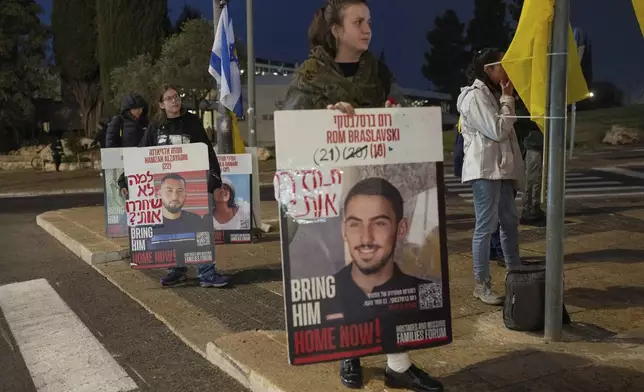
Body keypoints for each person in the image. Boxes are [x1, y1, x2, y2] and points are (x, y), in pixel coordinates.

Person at [281, 1, 442, 391]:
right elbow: (291, 135)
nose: (367, 29)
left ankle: (398, 365)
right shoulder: (309, 76)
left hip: (379, 190)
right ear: (336, 30)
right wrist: (327, 121)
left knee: (390, 276)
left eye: (369, 21)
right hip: (330, 202)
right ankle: (348, 353)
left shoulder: (378, 72)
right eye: (358, 22)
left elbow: (401, 113)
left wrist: (394, 114)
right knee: (346, 276)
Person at [139, 85, 229, 289]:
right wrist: (125, 179)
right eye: (169, 98)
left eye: (177, 97)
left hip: (195, 187)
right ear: (161, 104)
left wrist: (215, 177)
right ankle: (176, 270)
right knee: (171, 230)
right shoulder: (155, 127)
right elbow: (141, 154)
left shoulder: (192, 122)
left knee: (201, 229)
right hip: (168, 192)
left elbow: (206, 151)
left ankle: (206, 273)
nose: (175, 100)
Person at [456, 48, 525, 306]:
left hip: (501, 169)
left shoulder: (492, 94)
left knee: (509, 223)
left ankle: (516, 276)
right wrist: (508, 98)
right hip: (485, 171)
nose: (506, 69)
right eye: (502, 65)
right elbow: (498, 130)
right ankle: (481, 284)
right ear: (488, 70)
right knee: (485, 227)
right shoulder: (474, 97)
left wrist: (505, 97)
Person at [324, 178, 437, 325]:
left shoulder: (428, 294)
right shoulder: (320, 296)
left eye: (379, 223)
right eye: (355, 224)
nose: (366, 238)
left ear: (401, 228)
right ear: (343, 230)